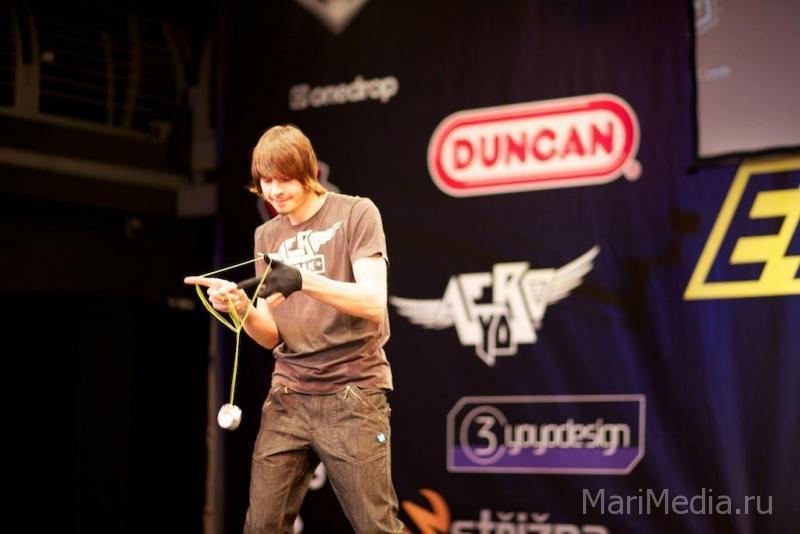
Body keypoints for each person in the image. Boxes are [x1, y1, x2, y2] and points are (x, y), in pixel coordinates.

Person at [185, 124, 405, 533]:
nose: (274, 191)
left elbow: (373, 303)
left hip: (352, 392)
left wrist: (304, 279)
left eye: (284, 179)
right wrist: (240, 309)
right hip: (289, 394)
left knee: (375, 526)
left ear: (309, 172)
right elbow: (271, 334)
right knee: (261, 526)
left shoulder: (356, 212)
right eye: (266, 181)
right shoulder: (266, 234)